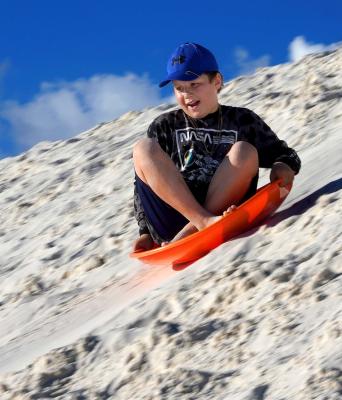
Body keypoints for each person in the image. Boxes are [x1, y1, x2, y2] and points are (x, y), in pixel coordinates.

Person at [132, 42, 301, 251]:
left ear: (217, 81)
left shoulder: (242, 120)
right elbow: (145, 181)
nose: (187, 94)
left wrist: (282, 165)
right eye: (179, 88)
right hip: (174, 222)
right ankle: (200, 222)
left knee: (244, 152)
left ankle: (198, 225)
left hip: (223, 211)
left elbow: (286, 155)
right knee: (143, 148)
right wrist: (145, 232)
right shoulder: (165, 125)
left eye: (194, 84)